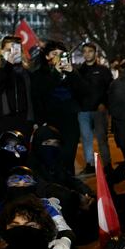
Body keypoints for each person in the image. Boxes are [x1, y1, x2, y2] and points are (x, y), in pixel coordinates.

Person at [32, 42, 87, 174]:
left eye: (61, 54)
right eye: (54, 54)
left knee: (68, 156)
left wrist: (73, 73)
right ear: (47, 57)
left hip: (70, 120)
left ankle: (70, 185)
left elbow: (84, 91)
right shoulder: (39, 74)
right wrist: (56, 73)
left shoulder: (71, 72)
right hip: (51, 121)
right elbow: (40, 93)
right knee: (53, 158)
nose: (58, 57)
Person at [77, 41, 114, 176]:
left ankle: (107, 164)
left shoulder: (103, 70)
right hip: (83, 110)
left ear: (95, 53)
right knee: (86, 138)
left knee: (102, 139)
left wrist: (105, 103)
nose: (87, 54)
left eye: (90, 51)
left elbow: (110, 89)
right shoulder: (79, 71)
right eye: (85, 51)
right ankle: (90, 164)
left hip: (99, 110)